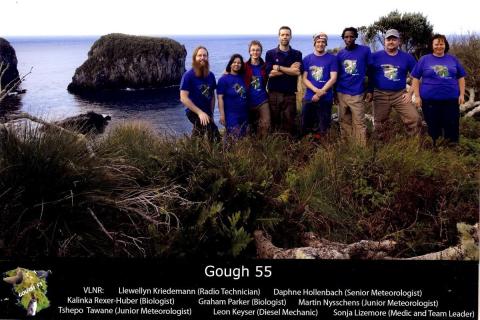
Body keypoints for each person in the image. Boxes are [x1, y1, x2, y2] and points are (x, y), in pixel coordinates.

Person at [411, 34, 466, 144]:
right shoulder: (424, 60)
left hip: (451, 100)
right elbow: (415, 78)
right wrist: (417, 96)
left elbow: (461, 77)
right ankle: (436, 149)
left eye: (441, 44)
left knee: (452, 126)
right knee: (433, 127)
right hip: (430, 101)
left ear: (445, 45)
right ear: (432, 45)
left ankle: (452, 149)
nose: (439, 46)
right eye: (436, 44)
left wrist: (462, 95)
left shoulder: (453, 59)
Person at [366, 29, 420, 139]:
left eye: (394, 39)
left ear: (398, 41)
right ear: (384, 41)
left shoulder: (407, 57)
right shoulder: (374, 56)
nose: (391, 42)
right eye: (388, 39)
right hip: (380, 94)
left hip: (400, 95)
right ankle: (382, 146)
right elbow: (369, 75)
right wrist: (370, 91)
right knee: (379, 123)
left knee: (414, 118)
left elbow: (416, 76)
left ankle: (413, 144)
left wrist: (410, 94)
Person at [336, 27, 372, 145]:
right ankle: (347, 146)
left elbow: (371, 71)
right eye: (346, 37)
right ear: (343, 38)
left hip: (357, 93)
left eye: (351, 36)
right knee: (344, 122)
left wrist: (370, 90)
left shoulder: (365, 51)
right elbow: (336, 74)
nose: (349, 39)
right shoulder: (340, 54)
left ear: (355, 37)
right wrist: (334, 94)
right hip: (341, 93)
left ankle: (361, 150)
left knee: (359, 123)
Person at [265, 26, 303, 135]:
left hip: (290, 94)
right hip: (274, 94)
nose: (285, 37)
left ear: (290, 36)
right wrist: (289, 69)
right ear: (279, 37)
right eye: (282, 35)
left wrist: (278, 67)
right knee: (274, 122)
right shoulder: (270, 54)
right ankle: (276, 147)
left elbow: (297, 72)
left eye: (287, 35)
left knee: (289, 123)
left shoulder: (297, 54)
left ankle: (288, 147)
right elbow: (270, 74)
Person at [301, 32, 338, 137]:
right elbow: (304, 79)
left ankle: (322, 149)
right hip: (309, 97)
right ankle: (307, 146)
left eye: (323, 42)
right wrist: (316, 91)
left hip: (326, 98)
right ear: (314, 43)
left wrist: (320, 93)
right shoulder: (307, 59)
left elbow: (333, 78)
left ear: (326, 44)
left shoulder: (332, 59)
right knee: (306, 124)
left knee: (323, 126)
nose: (320, 44)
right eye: (318, 42)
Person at [180, 46, 220, 141]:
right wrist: (200, 113)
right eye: (199, 55)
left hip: (207, 112)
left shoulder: (211, 76)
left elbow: (212, 96)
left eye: (205, 55)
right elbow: (183, 98)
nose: (202, 57)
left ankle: (194, 152)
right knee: (214, 134)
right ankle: (214, 152)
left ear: (207, 58)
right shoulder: (188, 75)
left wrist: (211, 114)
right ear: (195, 58)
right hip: (193, 111)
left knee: (199, 134)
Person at [217, 54, 249, 138]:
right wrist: (222, 114)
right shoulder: (223, 79)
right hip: (231, 114)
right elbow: (220, 98)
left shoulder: (243, 77)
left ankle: (232, 151)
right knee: (235, 135)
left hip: (244, 113)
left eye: (239, 63)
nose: (236, 64)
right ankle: (226, 150)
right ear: (230, 64)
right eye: (234, 62)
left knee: (243, 137)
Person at [244, 40, 270, 137]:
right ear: (249, 52)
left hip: (262, 100)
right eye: (253, 50)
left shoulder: (265, 66)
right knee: (249, 127)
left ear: (261, 52)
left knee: (266, 125)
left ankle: (262, 145)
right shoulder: (244, 66)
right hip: (248, 101)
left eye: (257, 50)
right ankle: (251, 147)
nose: (255, 52)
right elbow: (231, 70)